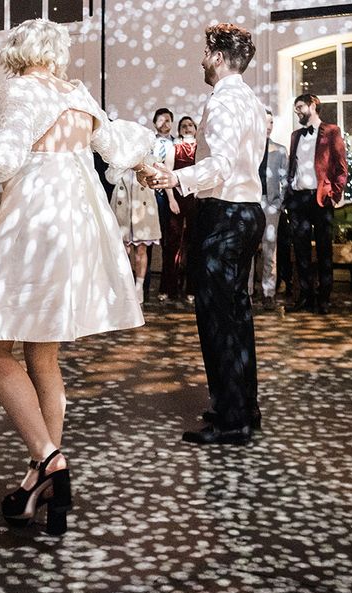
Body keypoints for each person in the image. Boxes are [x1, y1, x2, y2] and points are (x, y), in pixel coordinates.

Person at [0, 18, 156, 535]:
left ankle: (47, 456)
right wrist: (150, 159)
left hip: (37, 222)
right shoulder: (79, 93)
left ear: (19, 51)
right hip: (79, 226)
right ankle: (38, 476)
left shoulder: (22, 88)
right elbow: (118, 145)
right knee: (43, 351)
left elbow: (5, 154)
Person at [151, 23, 266, 446]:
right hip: (248, 211)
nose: (201, 58)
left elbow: (220, 165)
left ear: (218, 57)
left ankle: (231, 419)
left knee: (218, 320)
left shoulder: (222, 102)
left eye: (204, 52)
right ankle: (241, 408)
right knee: (237, 317)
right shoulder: (251, 101)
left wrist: (173, 179)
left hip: (225, 216)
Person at [285, 94, 348, 315]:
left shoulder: (331, 131)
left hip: (321, 199)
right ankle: (305, 297)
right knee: (301, 252)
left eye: (300, 107)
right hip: (298, 200)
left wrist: (334, 194)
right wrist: (289, 194)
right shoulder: (295, 136)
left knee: (324, 250)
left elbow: (341, 168)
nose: (297, 111)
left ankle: (324, 299)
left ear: (313, 106)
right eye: (295, 108)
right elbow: (293, 166)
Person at [251, 108, 288, 310]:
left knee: (269, 249)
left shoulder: (279, 150)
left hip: (271, 204)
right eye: (265, 122)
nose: (268, 126)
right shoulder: (247, 148)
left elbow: (285, 179)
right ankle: (246, 291)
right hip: (250, 202)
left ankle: (268, 292)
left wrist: (279, 203)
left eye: (271, 122)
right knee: (247, 250)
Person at [109, 168, 162, 304]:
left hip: (143, 204)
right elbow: (110, 177)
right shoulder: (118, 156)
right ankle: (124, 287)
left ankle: (139, 287)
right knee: (123, 250)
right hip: (123, 202)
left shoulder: (148, 154)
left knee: (141, 249)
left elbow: (156, 174)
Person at [161, 116, 198, 303]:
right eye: (183, 126)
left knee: (194, 245)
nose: (187, 128)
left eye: (190, 125)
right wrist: (170, 199)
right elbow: (167, 174)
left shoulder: (201, 149)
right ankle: (170, 288)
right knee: (173, 244)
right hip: (176, 199)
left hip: (195, 201)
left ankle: (191, 288)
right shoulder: (173, 148)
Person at [151, 107, 174, 301]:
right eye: (161, 120)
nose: (165, 123)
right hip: (150, 194)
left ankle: (166, 286)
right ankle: (144, 284)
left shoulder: (177, 144)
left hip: (170, 196)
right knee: (147, 240)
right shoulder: (148, 143)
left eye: (168, 120)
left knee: (169, 240)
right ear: (154, 122)